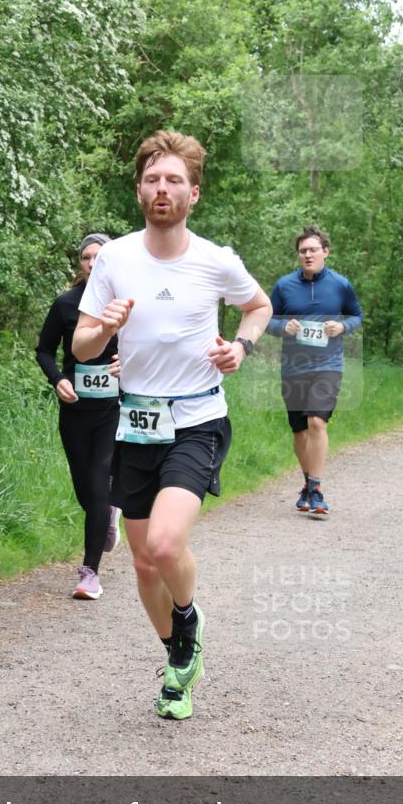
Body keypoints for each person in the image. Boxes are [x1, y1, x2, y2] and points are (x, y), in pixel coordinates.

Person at [72, 130, 271, 721]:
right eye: (154, 179)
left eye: (175, 180)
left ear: (194, 193)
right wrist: (104, 328)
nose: (164, 189)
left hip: (197, 418)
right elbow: (83, 349)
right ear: (139, 191)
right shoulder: (114, 258)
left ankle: (188, 618)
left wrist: (241, 346)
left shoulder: (215, 261)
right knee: (139, 562)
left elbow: (257, 306)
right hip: (135, 422)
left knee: (164, 544)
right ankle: (178, 660)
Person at [35, 234, 121, 600]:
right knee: (85, 488)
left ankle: (90, 573)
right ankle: (107, 515)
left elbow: (150, 344)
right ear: (80, 264)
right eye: (86, 258)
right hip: (74, 409)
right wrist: (58, 379)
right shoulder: (66, 304)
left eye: (98, 257)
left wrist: (126, 362)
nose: (91, 263)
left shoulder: (123, 305)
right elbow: (43, 350)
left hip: (113, 410)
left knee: (100, 480)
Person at [267, 227, 363, 516]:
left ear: (325, 252)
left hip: (328, 366)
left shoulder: (340, 285)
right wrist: (283, 326)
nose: (308, 255)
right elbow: (265, 319)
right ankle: (308, 483)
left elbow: (356, 316)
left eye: (313, 249)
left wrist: (343, 327)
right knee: (300, 431)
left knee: (316, 423)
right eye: (303, 251)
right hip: (293, 369)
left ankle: (317, 489)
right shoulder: (284, 286)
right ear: (298, 255)